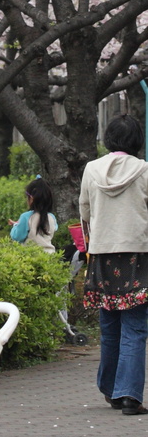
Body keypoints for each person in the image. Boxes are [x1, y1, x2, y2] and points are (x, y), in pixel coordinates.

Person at [80, 114, 148, 416]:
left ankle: (110, 389)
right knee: (135, 327)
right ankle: (129, 396)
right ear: (137, 141)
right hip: (137, 254)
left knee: (109, 325)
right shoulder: (144, 171)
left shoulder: (91, 169)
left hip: (103, 254)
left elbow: (84, 209)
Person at [8, 178, 57, 252]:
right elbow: (54, 228)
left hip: (31, 256)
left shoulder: (26, 217)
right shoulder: (52, 217)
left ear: (31, 198)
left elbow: (17, 236)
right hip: (49, 255)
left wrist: (16, 226)